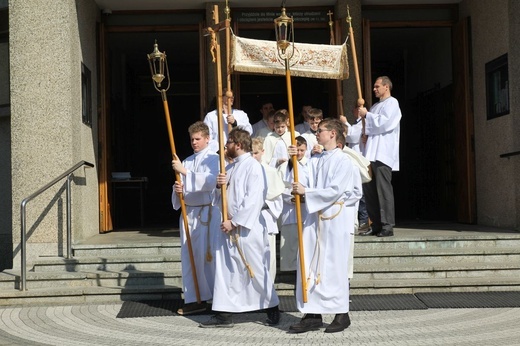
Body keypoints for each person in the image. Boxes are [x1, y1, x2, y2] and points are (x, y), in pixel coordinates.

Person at [199, 128, 280, 328]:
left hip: (246, 229)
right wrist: (219, 187)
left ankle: (272, 307)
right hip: (228, 228)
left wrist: (235, 222)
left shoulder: (253, 166)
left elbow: (254, 198)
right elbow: (221, 199)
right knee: (226, 271)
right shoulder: (230, 167)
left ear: (239, 145)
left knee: (253, 268)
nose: (226, 146)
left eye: (229, 142)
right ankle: (223, 314)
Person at [288, 118, 362, 334]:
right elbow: (303, 179)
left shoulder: (344, 161)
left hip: (334, 220)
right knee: (310, 265)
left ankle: (341, 314)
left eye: (320, 131)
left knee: (333, 267)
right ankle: (312, 314)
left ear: (332, 134)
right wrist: (296, 158)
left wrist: (307, 193)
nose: (317, 133)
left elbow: (335, 190)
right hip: (314, 219)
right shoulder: (316, 160)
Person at [171, 121, 221, 315]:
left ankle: (214, 298)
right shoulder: (187, 160)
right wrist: (178, 190)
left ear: (208, 139)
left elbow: (211, 181)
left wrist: (184, 173)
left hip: (207, 214)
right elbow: (181, 184)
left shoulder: (214, 159)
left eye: (198, 139)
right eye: (192, 139)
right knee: (189, 257)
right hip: (189, 213)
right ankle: (194, 298)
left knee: (208, 258)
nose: (194, 142)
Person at [358, 76, 401, 238]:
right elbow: (370, 126)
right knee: (369, 189)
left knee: (383, 190)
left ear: (386, 87)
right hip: (371, 152)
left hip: (383, 153)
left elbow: (385, 123)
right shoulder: (375, 106)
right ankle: (375, 224)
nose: (374, 89)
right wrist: (365, 133)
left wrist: (367, 115)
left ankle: (387, 225)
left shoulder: (393, 103)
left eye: (377, 86)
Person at [252, 137, 285, 282]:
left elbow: (277, 199)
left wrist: (262, 204)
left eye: (255, 153)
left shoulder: (270, 172)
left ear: (262, 152)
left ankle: (268, 286)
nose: (253, 156)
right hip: (248, 220)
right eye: (250, 153)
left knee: (268, 255)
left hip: (265, 216)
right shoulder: (241, 170)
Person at [279, 136, 309, 272]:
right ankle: (291, 273)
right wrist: (290, 197)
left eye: (302, 150)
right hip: (289, 210)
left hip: (305, 211)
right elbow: (279, 186)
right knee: (290, 244)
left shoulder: (311, 165)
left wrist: (305, 195)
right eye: (297, 150)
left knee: (305, 246)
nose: (299, 153)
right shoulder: (284, 167)